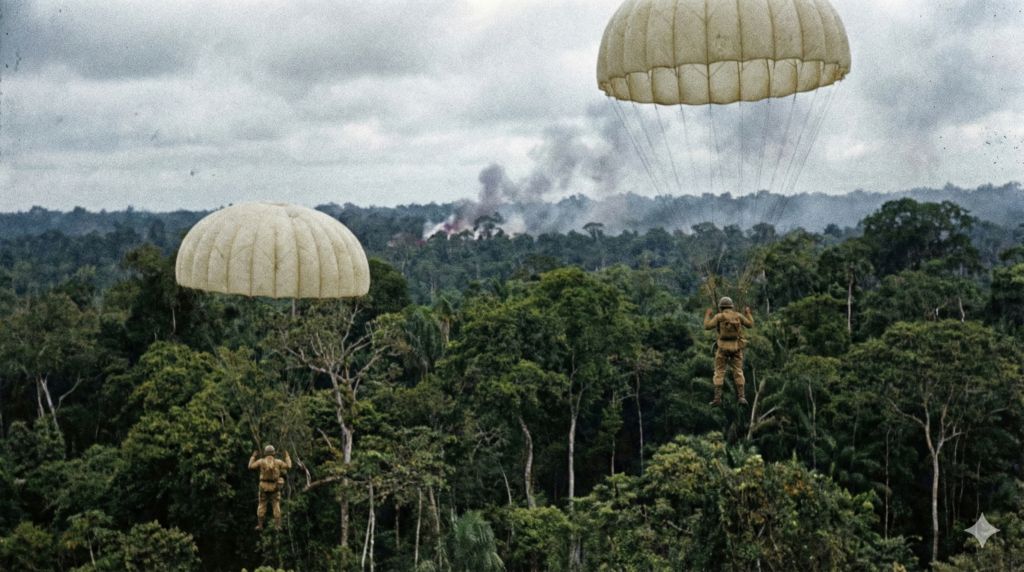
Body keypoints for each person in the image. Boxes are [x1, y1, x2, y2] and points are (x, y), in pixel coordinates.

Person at [704, 297, 754, 407]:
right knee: (738, 371)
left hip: (722, 348)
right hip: (736, 347)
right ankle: (741, 396)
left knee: (719, 372)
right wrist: (748, 313)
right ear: (731, 306)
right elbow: (750, 324)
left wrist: (708, 315)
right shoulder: (738, 316)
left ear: (721, 307)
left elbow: (707, 326)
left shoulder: (719, 316)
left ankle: (717, 398)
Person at [249, 445, 291, 530]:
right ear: (273, 453)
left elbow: (250, 466)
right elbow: (288, 466)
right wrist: (287, 456)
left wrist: (253, 457)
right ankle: (277, 525)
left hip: (263, 487)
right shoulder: (278, 462)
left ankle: (260, 525)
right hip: (274, 487)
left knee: (261, 505)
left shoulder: (261, 461)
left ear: (265, 453)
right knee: (276, 505)